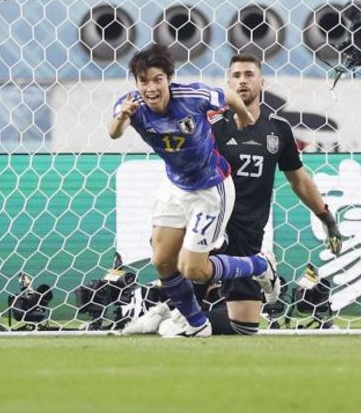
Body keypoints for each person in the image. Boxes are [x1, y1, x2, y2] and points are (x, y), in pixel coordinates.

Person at [108, 44, 277, 337]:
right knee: (161, 260)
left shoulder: (193, 97)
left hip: (211, 189)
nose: (150, 87)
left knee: (192, 268)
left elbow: (228, 96)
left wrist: (246, 119)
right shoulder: (130, 105)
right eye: (143, 81)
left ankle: (259, 265)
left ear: (168, 80)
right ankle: (197, 324)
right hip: (175, 187)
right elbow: (113, 132)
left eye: (157, 79)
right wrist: (123, 115)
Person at [208, 54, 341, 335]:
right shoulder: (214, 128)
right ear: (228, 82)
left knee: (243, 327)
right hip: (213, 229)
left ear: (262, 81)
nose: (242, 80)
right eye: (236, 75)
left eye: (249, 74)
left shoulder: (277, 129)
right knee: (185, 306)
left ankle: (259, 268)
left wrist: (327, 219)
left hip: (249, 235)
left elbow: (299, 180)